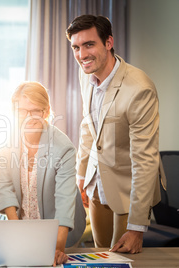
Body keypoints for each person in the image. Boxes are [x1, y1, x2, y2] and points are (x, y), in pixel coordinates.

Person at [66, 15, 163, 253]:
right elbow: (88, 126)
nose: (82, 55)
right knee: (100, 253)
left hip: (128, 188)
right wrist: (82, 175)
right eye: (76, 47)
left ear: (108, 42)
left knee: (122, 258)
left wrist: (137, 228)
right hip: (97, 183)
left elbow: (144, 159)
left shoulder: (139, 89)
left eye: (89, 45)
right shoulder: (85, 73)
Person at [0, 81, 86, 266]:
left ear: (46, 112)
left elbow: (64, 200)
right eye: (22, 111)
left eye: (35, 111)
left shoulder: (63, 148)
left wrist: (57, 247)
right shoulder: (8, 142)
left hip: (61, 231)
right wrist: (16, 233)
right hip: (25, 230)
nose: (28, 118)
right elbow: (6, 187)